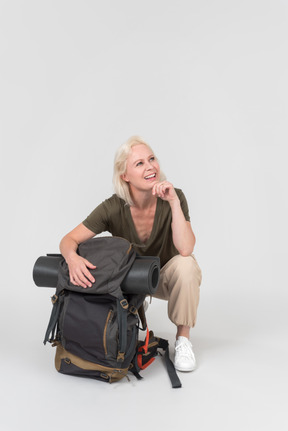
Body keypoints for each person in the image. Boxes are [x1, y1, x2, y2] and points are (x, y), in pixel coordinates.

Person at [59, 136, 202, 372]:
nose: (150, 167)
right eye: (139, 164)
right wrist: (72, 259)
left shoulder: (174, 197)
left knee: (186, 265)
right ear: (125, 176)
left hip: (163, 278)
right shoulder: (113, 206)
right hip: (129, 281)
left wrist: (174, 203)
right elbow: (68, 240)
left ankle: (183, 340)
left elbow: (186, 248)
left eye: (152, 159)